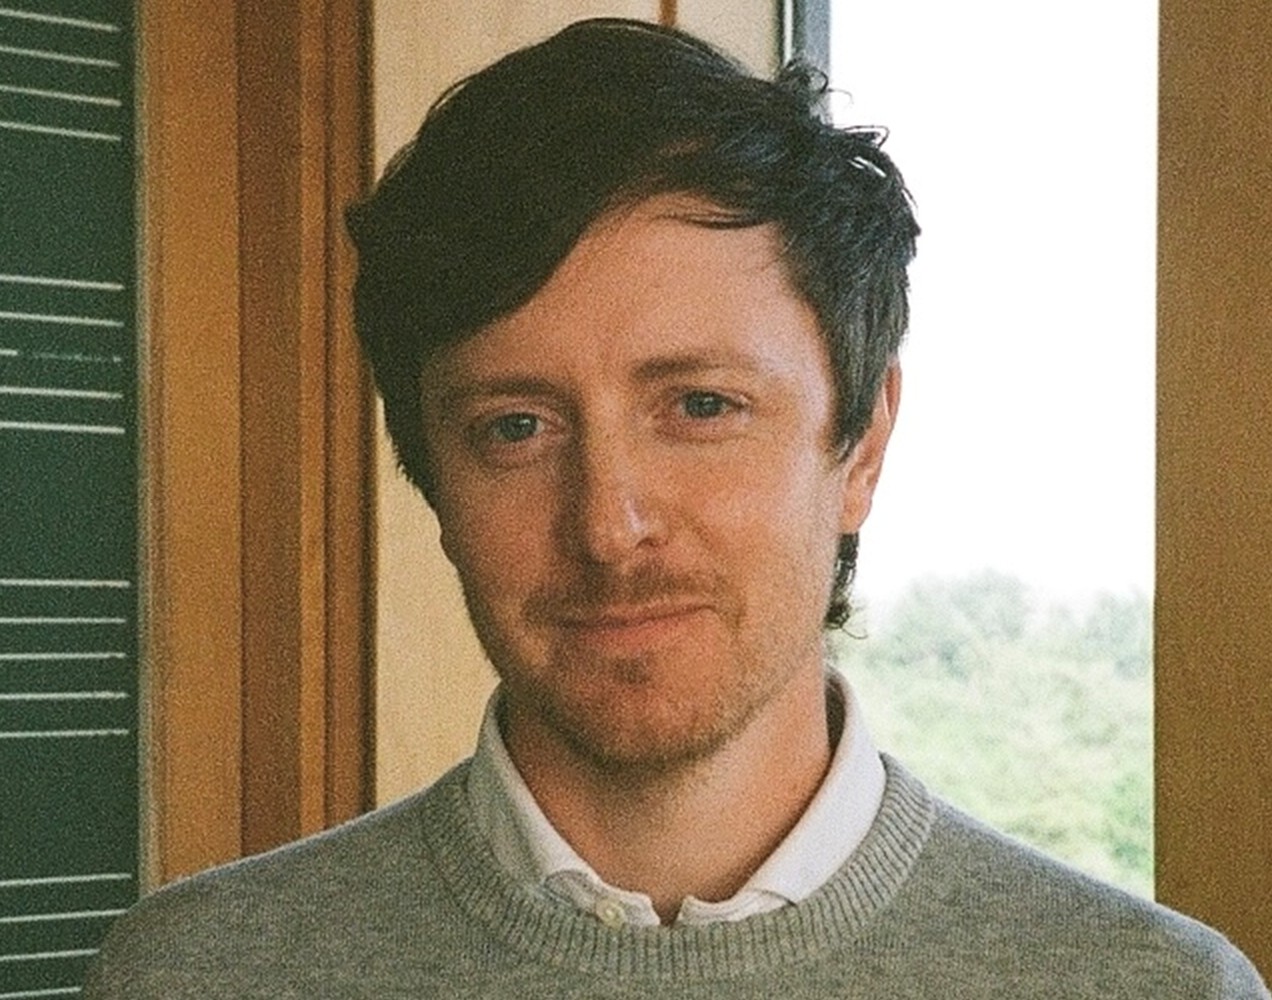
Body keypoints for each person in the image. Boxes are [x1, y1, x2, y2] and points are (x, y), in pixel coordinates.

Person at [84, 17, 1267, 998]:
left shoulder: (1156, 989)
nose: (610, 527)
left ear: (861, 445)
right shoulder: (198, 976)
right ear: (434, 483)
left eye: (701, 404)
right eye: (515, 426)